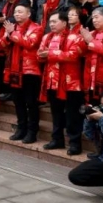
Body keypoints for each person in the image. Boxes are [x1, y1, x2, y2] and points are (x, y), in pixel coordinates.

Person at [38, 11, 87, 155]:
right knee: (56, 112)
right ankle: (57, 139)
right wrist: (43, 56)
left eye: (55, 21)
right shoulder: (47, 37)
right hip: (52, 79)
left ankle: (74, 143)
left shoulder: (76, 37)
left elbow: (73, 56)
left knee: (73, 114)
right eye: (50, 22)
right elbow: (39, 54)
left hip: (71, 82)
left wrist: (51, 54)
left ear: (64, 23)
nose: (51, 24)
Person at [0, 1, 43, 144]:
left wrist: (12, 33)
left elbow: (30, 43)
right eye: (15, 12)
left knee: (31, 102)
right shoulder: (12, 27)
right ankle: (21, 128)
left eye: (20, 12)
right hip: (13, 70)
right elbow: (1, 45)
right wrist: (8, 35)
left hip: (30, 70)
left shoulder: (36, 28)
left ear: (29, 14)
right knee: (18, 102)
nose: (17, 14)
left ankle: (32, 131)